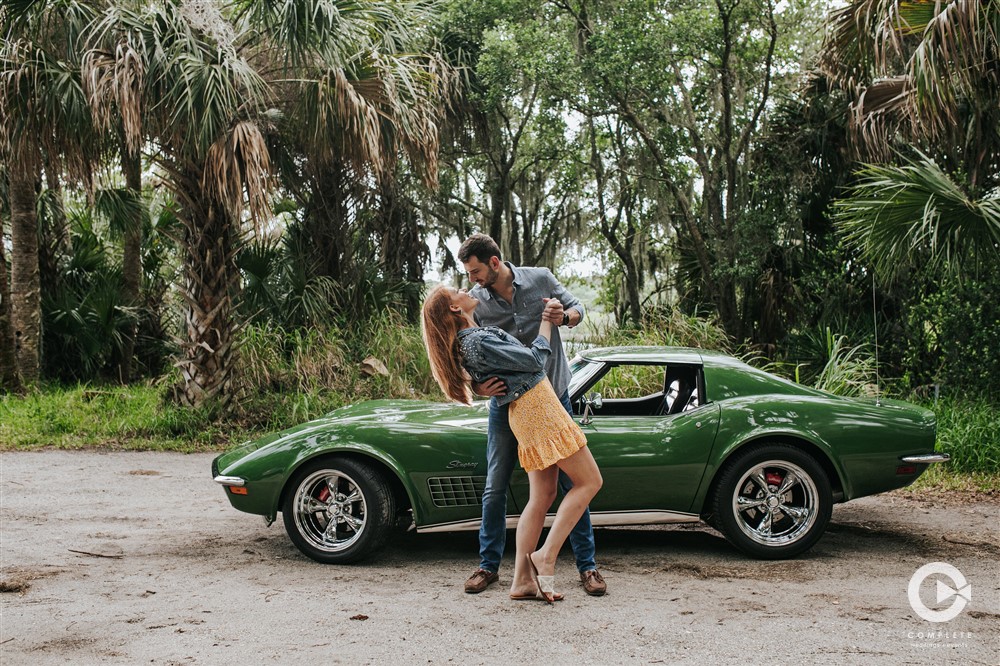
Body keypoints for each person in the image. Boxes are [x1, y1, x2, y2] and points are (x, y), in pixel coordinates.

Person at [421, 285, 603, 602]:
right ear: (454, 309)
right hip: (538, 409)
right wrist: (547, 320)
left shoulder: (471, 341)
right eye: (457, 290)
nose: (465, 288)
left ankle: (521, 581)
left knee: (543, 495)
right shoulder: (476, 340)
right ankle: (546, 555)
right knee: (590, 481)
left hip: (528, 409)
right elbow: (535, 360)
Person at [458, 233, 608, 597]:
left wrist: (564, 316)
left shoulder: (539, 278)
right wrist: (477, 388)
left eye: (476, 271)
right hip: (509, 406)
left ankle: (586, 567)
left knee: (566, 486)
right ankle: (489, 565)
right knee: (496, 485)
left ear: (494, 262)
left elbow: (577, 310)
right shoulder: (475, 302)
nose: (472, 280)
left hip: (554, 396)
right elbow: (463, 353)